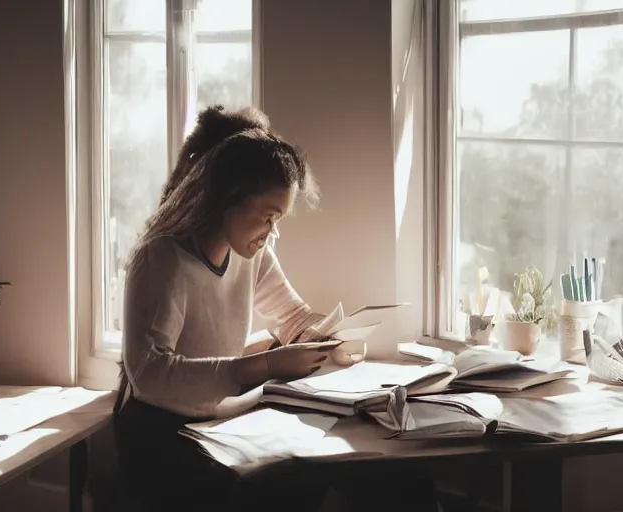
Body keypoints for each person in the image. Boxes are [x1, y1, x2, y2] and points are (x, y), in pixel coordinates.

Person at [114, 105, 440, 512]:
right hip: (163, 436)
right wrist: (265, 366)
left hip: (222, 420)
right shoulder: (160, 260)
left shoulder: (252, 254)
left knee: (386, 474)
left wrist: (329, 339)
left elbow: (293, 316)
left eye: (279, 219)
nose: (273, 232)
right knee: (284, 484)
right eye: (269, 218)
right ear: (225, 200)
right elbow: (151, 375)